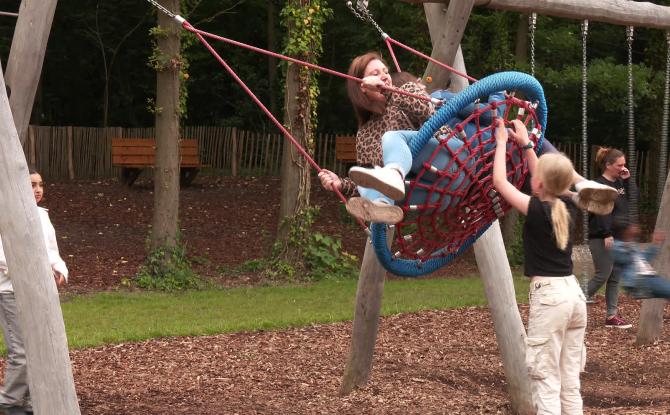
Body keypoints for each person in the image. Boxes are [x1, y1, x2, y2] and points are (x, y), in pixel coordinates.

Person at [318, 53, 617, 224]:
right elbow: (368, 177)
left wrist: (393, 90)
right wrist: (341, 184)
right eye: (375, 73)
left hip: (452, 157)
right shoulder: (365, 134)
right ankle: (382, 206)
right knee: (376, 184)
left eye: (385, 70)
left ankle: (579, 188)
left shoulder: (404, 89)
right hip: (430, 191)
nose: (384, 75)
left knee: (395, 139)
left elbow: (427, 110)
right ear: (361, 87)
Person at [492, 118, 587, 415]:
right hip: (574, 296)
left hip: (550, 298)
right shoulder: (567, 206)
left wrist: (502, 144)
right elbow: (545, 179)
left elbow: (499, 183)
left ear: (539, 184)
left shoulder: (535, 209)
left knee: (544, 379)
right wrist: (527, 144)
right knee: (569, 381)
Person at [0, 168, 68, 415]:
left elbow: (51, 251)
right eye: (31, 185)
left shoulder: (42, 216)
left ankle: (27, 399)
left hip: (39, 293)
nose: (38, 189)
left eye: (40, 184)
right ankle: (8, 400)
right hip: (11, 291)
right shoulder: (5, 214)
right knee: (22, 352)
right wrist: (35, 271)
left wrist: (59, 270)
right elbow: (4, 255)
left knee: (39, 347)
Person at [585, 147, 634, 329]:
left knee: (615, 277)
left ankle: (611, 316)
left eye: (624, 164)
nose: (623, 168)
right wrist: (606, 234)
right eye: (619, 165)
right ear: (608, 165)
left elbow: (632, 198)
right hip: (602, 236)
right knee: (602, 275)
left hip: (619, 237)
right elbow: (600, 212)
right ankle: (573, 302)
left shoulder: (620, 183)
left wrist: (627, 180)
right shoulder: (598, 184)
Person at [611, 218, 670, 299]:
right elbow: (623, 258)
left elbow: (644, 259)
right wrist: (628, 244)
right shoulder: (616, 246)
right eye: (631, 227)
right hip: (641, 281)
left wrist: (655, 244)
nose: (635, 228)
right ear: (624, 230)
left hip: (651, 278)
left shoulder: (630, 245)